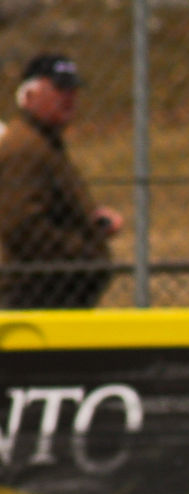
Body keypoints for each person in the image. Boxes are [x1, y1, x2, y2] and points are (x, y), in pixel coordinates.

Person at [0, 53, 121, 309]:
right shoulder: (24, 147)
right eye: (59, 88)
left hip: (53, 288)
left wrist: (92, 222)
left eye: (72, 89)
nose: (69, 97)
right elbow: (21, 222)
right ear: (29, 94)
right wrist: (82, 254)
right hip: (35, 291)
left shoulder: (44, 143)